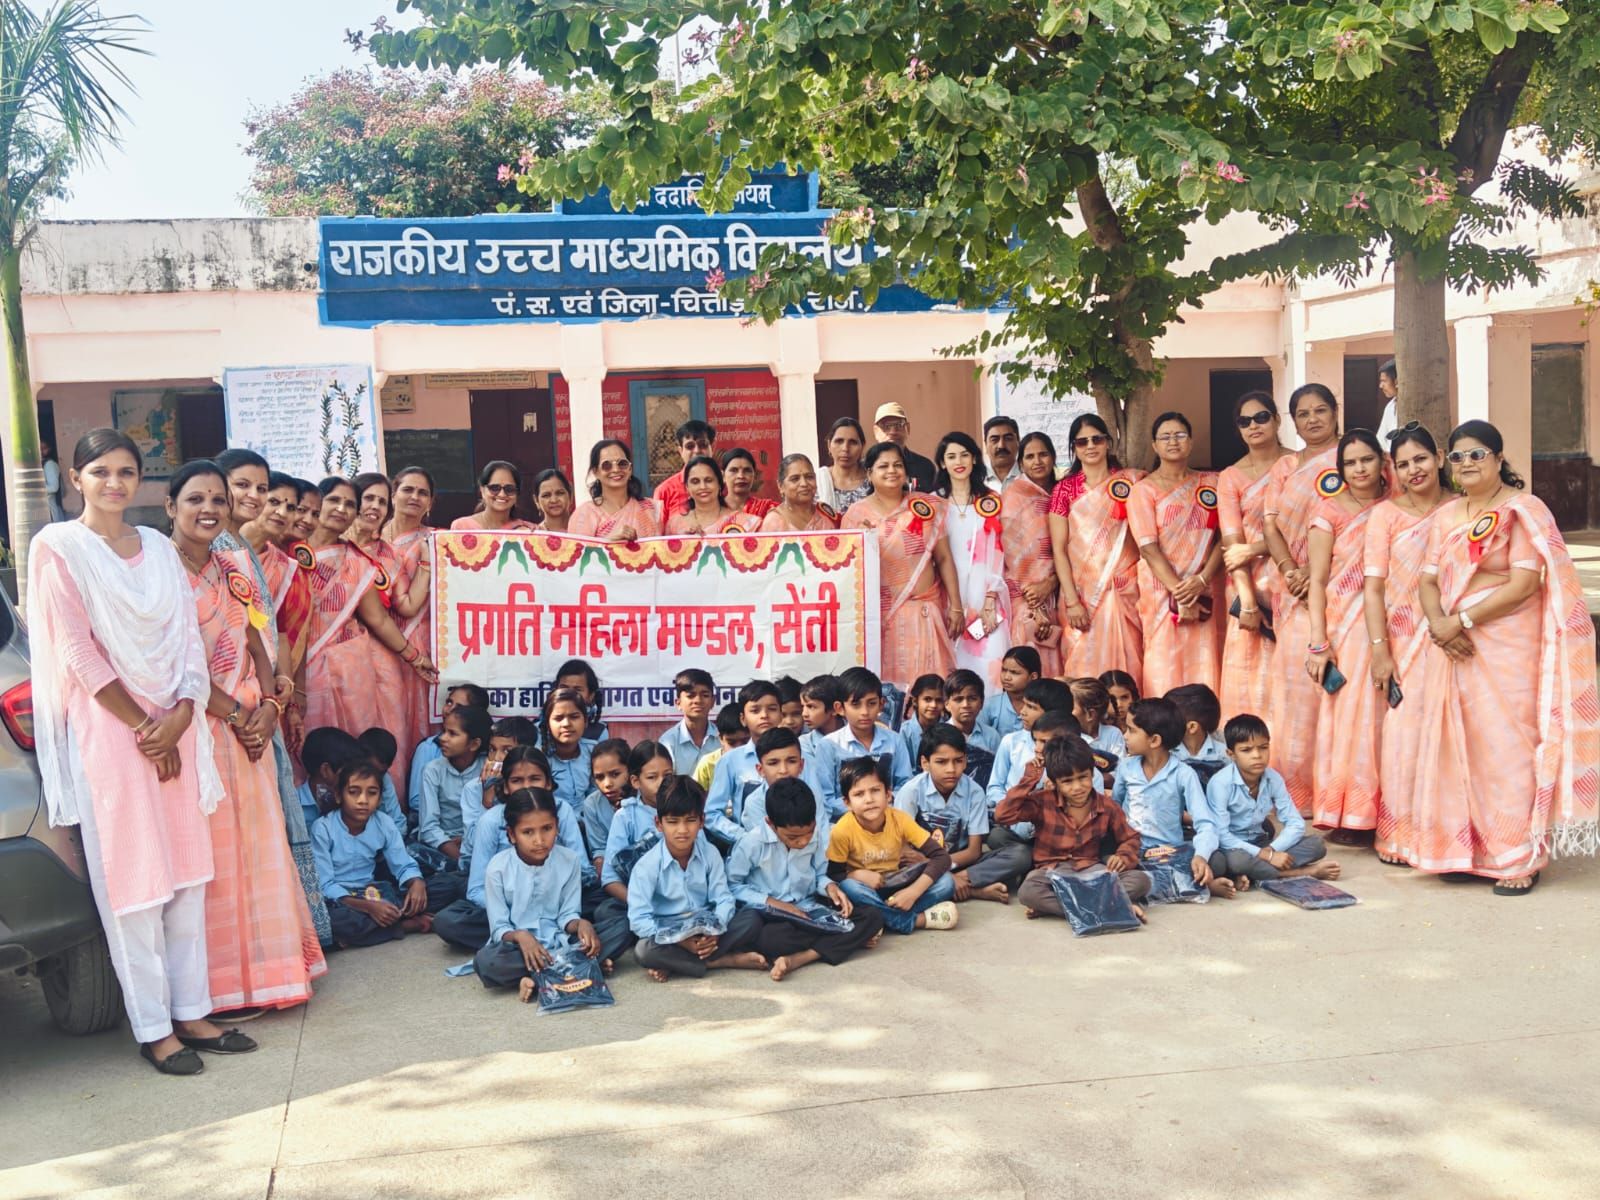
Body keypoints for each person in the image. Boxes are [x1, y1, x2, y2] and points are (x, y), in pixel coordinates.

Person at [30, 429, 247, 1075]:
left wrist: (178, 717)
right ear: (76, 478)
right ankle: (155, 1030)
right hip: (111, 733)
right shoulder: (58, 546)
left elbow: (186, 640)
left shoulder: (155, 546)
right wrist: (145, 727)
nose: (115, 483)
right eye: (100, 471)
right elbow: (77, 650)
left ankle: (194, 1013)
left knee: (186, 876)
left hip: (177, 724)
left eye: (126, 471)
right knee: (134, 884)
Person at [1411, 420, 1600, 892]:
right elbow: (1427, 581)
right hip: (1451, 645)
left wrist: (1462, 621)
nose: (1467, 463)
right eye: (1458, 457)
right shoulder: (1447, 516)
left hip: (1507, 646)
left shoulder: (1522, 510)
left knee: (1508, 746)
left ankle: (1517, 856)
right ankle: (1463, 850)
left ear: (1498, 459)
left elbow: (1523, 584)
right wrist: (1439, 623)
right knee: (1461, 745)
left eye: (1478, 454)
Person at [168, 461, 326, 1014]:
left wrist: (271, 707)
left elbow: (259, 636)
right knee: (213, 858)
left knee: (258, 850)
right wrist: (238, 714)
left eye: (218, 499)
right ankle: (217, 987)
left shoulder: (234, 563)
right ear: (171, 507)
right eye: (196, 499)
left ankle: (268, 975)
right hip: (199, 730)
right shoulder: (160, 570)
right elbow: (175, 664)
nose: (209, 509)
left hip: (252, 727)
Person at [216, 451, 329, 945]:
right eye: (243, 486)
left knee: (267, 817)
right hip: (221, 705)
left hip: (259, 700)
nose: (258, 499)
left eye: (261, 489)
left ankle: (277, 942)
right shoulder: (209, 548)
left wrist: (275, 691)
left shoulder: (242, 550)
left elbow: (260, 629)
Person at [1364, 424, 1451, 865]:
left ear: (1439, 458)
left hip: (1453, 637)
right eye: (1403, 464)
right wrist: (1380, 650)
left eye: (1421, 459)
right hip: (1402, 642)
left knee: (1451, 735)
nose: (1414, 469)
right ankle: (1400, 835)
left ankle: (1448, 836)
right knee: (1404, 734)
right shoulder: (1385, 515)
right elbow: (1374, 588)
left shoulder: (1460, 509)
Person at [303, 476, 436, 746]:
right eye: (367, 499)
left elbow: (391, 613)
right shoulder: (293, 548)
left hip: (353, 662)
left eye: (381, 501)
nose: (374, 506)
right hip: (297, 658)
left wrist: (426, 562)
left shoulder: (372, 558)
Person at [1263, 382, 1343, 812]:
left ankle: (1338, 794)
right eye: (1303, 413)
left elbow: (1366, 514)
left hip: (1343, 585)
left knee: (1341, 691)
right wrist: (1290, 570)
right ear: (1293, 421)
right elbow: (1270, 525)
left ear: (1335, 411)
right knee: (1297, 693)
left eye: (1320, 410)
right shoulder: (1285, 467)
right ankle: (1297, 794)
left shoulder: (1354, 457)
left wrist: (1316, 570)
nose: (1313, 419)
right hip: (1293, 593)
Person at [1306, 429, 1388, 839]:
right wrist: (1319, 642)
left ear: (1382, 462)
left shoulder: (1396, 506)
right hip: (1347, 625)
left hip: (1395, 621)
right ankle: (1351, 814)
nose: (1359, 469)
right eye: (1350, 463)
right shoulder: (1330, 512)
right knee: (1353, 719)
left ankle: (1390, 811)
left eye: (1367, 459)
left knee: (1390, 716)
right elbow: (1317, 581)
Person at [727, 778, 887, 981]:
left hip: (808, 909)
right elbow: (733, 885)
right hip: (773, 916)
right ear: (771, 824)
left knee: (872, 916)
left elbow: (819, 874)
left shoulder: (816, 835)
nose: (803, 841)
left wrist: (830, 887)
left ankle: (801, 958)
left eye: (808, 833)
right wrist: (774, 903)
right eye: (793, 837)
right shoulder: (752, 843)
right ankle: (842, 940)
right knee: (770, 938)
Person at [842, 442, 963, 686]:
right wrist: (862, 539)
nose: (892, 471)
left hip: (924, 612)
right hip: (883, 618)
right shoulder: (856, 515)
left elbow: (943, 558)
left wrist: (956, 606)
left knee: (930, 687)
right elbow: (848, 571)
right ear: (869, 474)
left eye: (897, 465)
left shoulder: (925, 508)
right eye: (883, 466)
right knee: (891, 688)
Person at [628, 775, 769, 981]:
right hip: (671, 933)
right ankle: (720, 961)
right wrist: (680, 940)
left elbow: (723, 898)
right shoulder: (646, 867)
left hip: (708, 927)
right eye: (673, 822)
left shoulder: (710, 853)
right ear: (659, 824)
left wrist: (715, 932)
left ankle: (677, 964)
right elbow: (639, 919)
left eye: (690, 820)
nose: (682, 830)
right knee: (644, 950)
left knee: (751, 919)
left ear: (702, 821)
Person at [472, 789, 607, 999]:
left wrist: (581, 924)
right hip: (517, 949)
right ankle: (577, 968)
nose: (539, 840)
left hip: (561, 941)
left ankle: (539, 976)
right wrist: (521, 936)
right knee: (487, 961)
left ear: (557, 827)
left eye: (547, 829)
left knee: (617, 928)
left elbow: (567, 915)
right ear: (511, 835)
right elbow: (499, 928)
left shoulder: (570, 860)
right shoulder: (497, 868)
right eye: (528, 832)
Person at [999, 735, 1151, 921]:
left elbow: (1130, 837)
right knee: (1028, 892)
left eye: (1083, 777)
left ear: (1092, 773)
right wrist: (1029, 778)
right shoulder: (1042, 801)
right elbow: (1003, 815)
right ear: (1054, 782)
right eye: (1067, 781)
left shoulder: (1107, 806)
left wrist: (1123, 856)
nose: (1077, 787)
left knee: (1141, 881)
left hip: (1091, 872)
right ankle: (1110, 905)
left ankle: (1070, 908)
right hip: (1051, 873)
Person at [1128, 412, 1224, 696]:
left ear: (1191, 442)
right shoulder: (1143, 490)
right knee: (1163, 660)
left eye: (1180, 435)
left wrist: (1202, 581)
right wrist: (1180, 593)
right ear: (1155, 446)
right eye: (1166, 437)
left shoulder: (1212, 483)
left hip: (1204, 586)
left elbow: (1224, 538)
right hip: (1162, 591)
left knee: (1204, 659)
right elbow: (1148, 547)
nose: (1173, 442)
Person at [1049, 414, 1145, 685]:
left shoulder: (1130, 482)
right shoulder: (1064, 490)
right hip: (1082, 594)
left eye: (1097, 439)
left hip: (1125, 590)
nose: (1090, 446)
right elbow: (1059, 549)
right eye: (1082, 442)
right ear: (1074, 448)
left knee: (1129, 667)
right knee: (1083, 670)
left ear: (1108, 443)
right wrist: (1072, 602)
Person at [312, 760, 449, 947]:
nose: (363, 800)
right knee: (328, 920)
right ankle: (405, 925)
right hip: (342, 902)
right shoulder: (323, 828)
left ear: (380, 798)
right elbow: (325, 885)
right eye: (354, 792)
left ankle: (372, 929)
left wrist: (416, 882)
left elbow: (402, 863)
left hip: (375, 893)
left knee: (448, 886)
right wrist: (369, 908)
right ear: (338, 795)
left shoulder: (383, 822)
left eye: (372, 793)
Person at [1218, 392, 1296, 721]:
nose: (1254, 425)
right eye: (1245, 421)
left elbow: (1302, 531)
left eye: (1262, 417)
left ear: (1276, 420)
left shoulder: (1297, 465)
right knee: (1250, 672)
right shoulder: (1230, 477)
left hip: (1294, 576)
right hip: (1247, 583)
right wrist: (1248, 601)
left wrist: (1254, 548)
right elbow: (1231, 543)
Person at [1199, 714, 1337, 888]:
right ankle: (1302, 872)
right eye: (1246, 750)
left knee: (1317, 845)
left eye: (1263, 748)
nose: (1257, 755)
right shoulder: (1221, 783)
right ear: (1231, 754)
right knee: (1235, 861)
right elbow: (1221, 835)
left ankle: (1251, 874)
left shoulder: (1273, 778)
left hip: (1261, 842)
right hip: (1232, 846)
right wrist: (1268, 857)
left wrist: (1271, 851)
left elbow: (1295, 823)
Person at [827, 757, 960, 934]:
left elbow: (941, 857)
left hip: (897, 883)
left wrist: (912, 892)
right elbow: (834, 874)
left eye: (875, 790)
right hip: (867, 889)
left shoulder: (900, 819)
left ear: (888, 795)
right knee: (849, 887)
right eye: (859, 794)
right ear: (847, 803)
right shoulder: (842, 830)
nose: (869, 799)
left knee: (946, 882)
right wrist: (856, 874)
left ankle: (882, 918)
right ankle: (916, 920)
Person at [1112, 697, 1229, 897]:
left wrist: (1200, 857)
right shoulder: (1126, 768)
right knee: (1115, 866)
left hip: (1169, 851)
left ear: (1155, 740)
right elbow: (1114, 808)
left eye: (1131, 730)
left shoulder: (1184, 774)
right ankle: (1198, 886)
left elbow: (1205, 823)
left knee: (1215, 860)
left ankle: (1184, 883)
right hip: (1132, 850)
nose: (1125, 736)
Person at [895, 724, 1027, 901]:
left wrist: (943, 870)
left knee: (1021, 855)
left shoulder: (975, 792)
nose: (951, 769)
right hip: (918, 864)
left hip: (958, 862)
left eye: (958, 761)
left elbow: (973, 851)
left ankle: (953, 882)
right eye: (941, 762)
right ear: (925, 763)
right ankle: (972, 890)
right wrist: (934, 868)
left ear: (965, 761)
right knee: (898, 870)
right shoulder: (911, 791)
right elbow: (902, 849)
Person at [935, 430, 1010, 686]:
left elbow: (1000, 552)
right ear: (942, 463)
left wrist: (990, 599)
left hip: (986, 598)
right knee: (953, 669)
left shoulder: (991, 501)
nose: (959, 462)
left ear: (975, 459)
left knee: (991, 665)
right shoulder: (934, 504)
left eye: (964, 455)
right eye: (951, 456)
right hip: (948, 599)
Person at [382, 466, 438, 770]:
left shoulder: (438, 541)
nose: (414, 497)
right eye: (407, 490)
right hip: (377, 640)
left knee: (419, 715)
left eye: (422, 493)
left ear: (430, 502)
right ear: (393, 495)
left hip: (422, 640)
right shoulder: (370, 537)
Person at [1000, 432, 1063, 674]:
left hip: (1065, 593)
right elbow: (1011, 558)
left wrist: (1051, 583)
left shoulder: (1065, 494)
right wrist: (1034, 603)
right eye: (1030, 457)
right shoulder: (1013, 498)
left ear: (1053, 457)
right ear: (1021, 463)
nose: (1037, 461)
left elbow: (1076, 549)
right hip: (1026, 598)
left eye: (1043, 454)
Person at [414, 705, 490, 875]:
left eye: (452, 734)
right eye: (444, 731)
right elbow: (428, 827)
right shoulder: (432, 770)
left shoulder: (486, 769)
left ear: (474, 744)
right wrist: (458, 856)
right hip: (444, 845)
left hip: (479, 843)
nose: (443, 738)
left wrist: (469, 843)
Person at [825, 666, 914, 789]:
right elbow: (825, 795)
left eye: (872, 703)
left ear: (881, 704)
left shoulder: (895, 741)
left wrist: (883, 799)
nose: (865, 712)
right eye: (856, 704)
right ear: (839, 708)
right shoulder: (828, 746)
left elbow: (905, 786)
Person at [570, 439, 661, 541]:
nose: (616, 469)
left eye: (622, 463)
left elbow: (663, 547)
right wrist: (609, 540)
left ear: (630, 469)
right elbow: (577, 550)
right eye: (606, 465)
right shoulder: (585, 514)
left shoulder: (650, 508)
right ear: (596, 472)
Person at [665, 455, 761, 535]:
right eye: (695, 481)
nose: (703, 486)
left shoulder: (745, 522)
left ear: (719, 484)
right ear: (687, 488)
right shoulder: (674, 525)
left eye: (708, 480)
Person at [540, 686, 597, 810]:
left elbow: (596, 795)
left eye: (574, 717)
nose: (566, 724)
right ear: (548, 724)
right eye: (558, 718)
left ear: (585, 721)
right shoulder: (538, 757)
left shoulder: (593, 751)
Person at [1165, 683, 1227, 789]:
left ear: (1192, 727)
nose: (1162, 722)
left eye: (1168, 718)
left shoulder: (1224, 755)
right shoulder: (1165, 752)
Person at [651, 419, 716, 520]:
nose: (697, 451)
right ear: (681, 451)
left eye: (703, 445)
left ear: (713, 447)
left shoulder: (725, 485)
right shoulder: (664, 491)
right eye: (690, 446)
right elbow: (655, 527)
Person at [659, 667, 720, 774]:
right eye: (691, 696)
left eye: (705, 695)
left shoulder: (723, 738)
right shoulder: (668, 742)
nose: (698, 701)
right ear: (678, 703)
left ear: (713, 701)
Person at [760, 453, 839, 531]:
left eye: (809, 477)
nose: (804, 484)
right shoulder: (774, 521)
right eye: (795, 479)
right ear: (780, 486)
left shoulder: (826, 514)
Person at [452, 461, 537, 531]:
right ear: (482, 490)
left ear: (517, 494)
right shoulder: (462, 527)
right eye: (494, 488)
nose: (502, 494)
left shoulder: (528, 530)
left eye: (509, 489)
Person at [871, 402, 936, 492]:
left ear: (907, 428)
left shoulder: (925, 467)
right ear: (876, 431)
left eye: (898, 425)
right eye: (886, 426)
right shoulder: (865, 467)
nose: (893, 432)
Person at [978, 646, 1039, 743]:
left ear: (1033, 676)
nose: (1006, 677)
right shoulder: (990, 705)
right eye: (1004, 670)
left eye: (1014, 672)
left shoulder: (1042, 705)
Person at [816, 416, 871, 511]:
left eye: (853, 442)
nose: (845, 448)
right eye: (839, 441)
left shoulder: (873, 481)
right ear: (829, 445)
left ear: (862, 446)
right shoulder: (817, 481)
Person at [694, 701, 749, 792]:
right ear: (720, 738)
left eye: (745, 742)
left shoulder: (760, 761)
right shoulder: (708, 764)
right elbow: (695, 796)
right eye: (731, 743)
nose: (738, 749)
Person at [943, 668, 998, 754]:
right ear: (947, 704)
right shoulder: (938, 736)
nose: (965, 705)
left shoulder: (991, 736)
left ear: (981, 702)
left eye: (972, 698)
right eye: (958, 699)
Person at [1068, 677, 1126, 758]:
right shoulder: (1067, 737)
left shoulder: (1112, 734)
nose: (1065, 711)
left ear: (1090, 714)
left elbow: (1119, 764)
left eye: (1070, 707)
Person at [900, 673, 946, 767]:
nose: (933, 705)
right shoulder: (905, 731)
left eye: (938, 700)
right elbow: (903, 767)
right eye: (927, 699)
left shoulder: (948, 728)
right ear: (915, 701)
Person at [719, 446, 778, 521]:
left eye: (747, 470)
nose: (741, 476)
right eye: (734, 470)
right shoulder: (714, 508)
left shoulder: (767, 509)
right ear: (723, 476)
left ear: (755, 475)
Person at [530, 468, 575, 533]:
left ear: (571, 495)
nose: (554, 500)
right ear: (536, 501)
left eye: (560, 493)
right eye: (546, 495)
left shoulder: (584, 531)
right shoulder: (534, 535)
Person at [983, 415, 1021, 486]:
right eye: (994, 440)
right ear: (985, 445)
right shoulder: (975, 479)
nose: (1001, 446)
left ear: (1018, 442)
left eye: (1008, 439)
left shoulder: (1030, 477)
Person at [42, 438, 66, 522]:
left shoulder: (49, 464)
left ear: (49, 449)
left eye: (44, 448)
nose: (41, 451)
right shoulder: (43, 464)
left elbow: (53, 487)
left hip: (51, 510)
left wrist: (36, 489)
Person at [1376, 359, 1398, 444]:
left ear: (1397, 381)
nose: (1381, 386)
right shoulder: (1390, 406)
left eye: (1384, 381)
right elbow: (1381, 440)